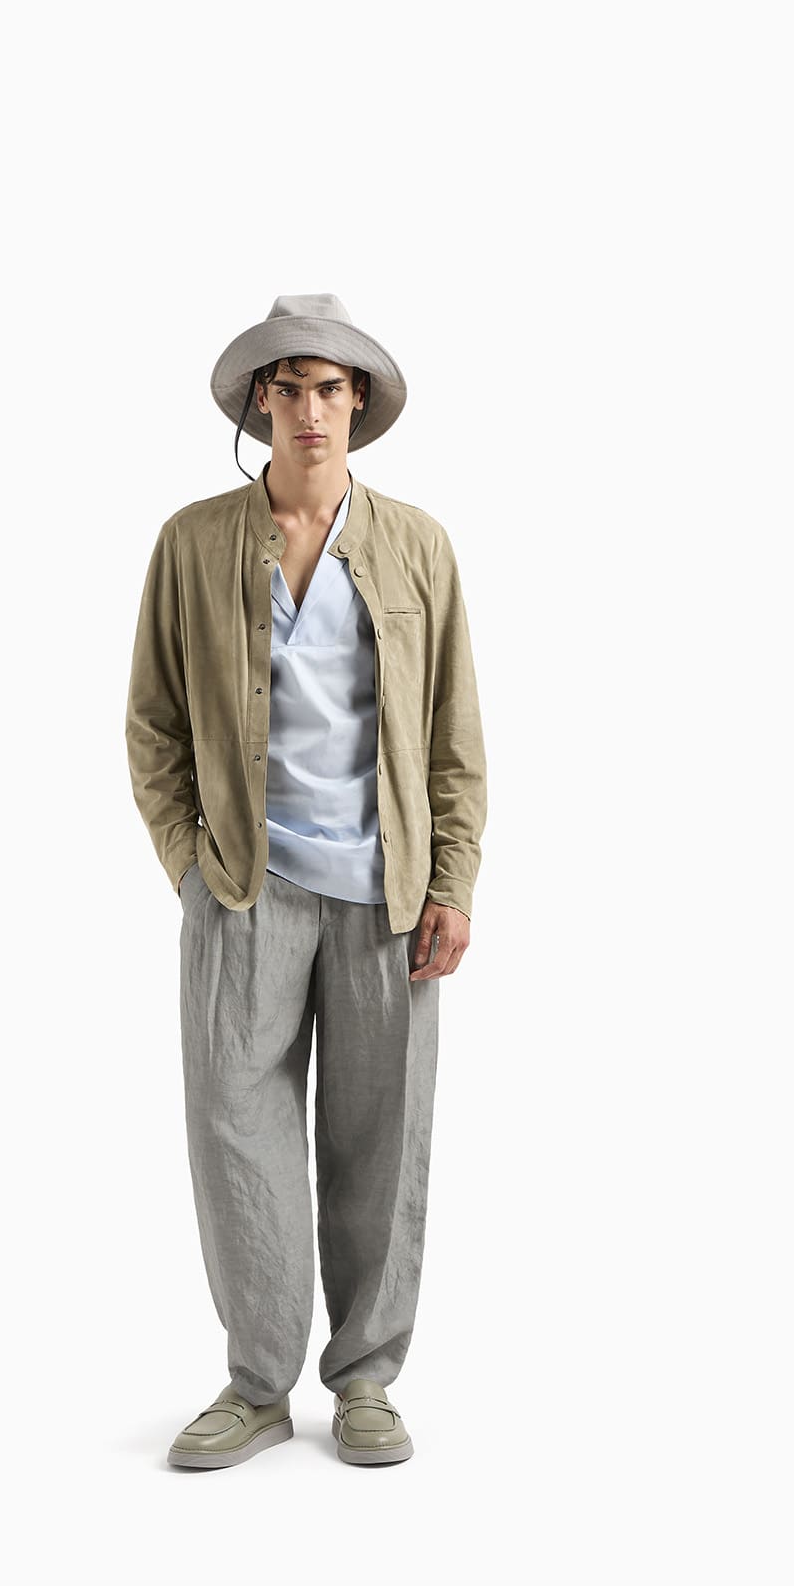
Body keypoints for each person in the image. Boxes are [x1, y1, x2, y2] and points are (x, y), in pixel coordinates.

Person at [125, 293, 487, 1469]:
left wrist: (452, 877)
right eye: (287, 387)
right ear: (258, 404)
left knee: (381, 1137)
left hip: (387, 893)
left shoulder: (416, 543)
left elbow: (451, 732)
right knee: (236, 1133)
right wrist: (191, 864)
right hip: (245, 886)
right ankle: (257, 1382)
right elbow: (152, 722)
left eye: (329, 387)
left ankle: (366, 1376)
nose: (308, 408)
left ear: (357, 403)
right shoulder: (191, 541)